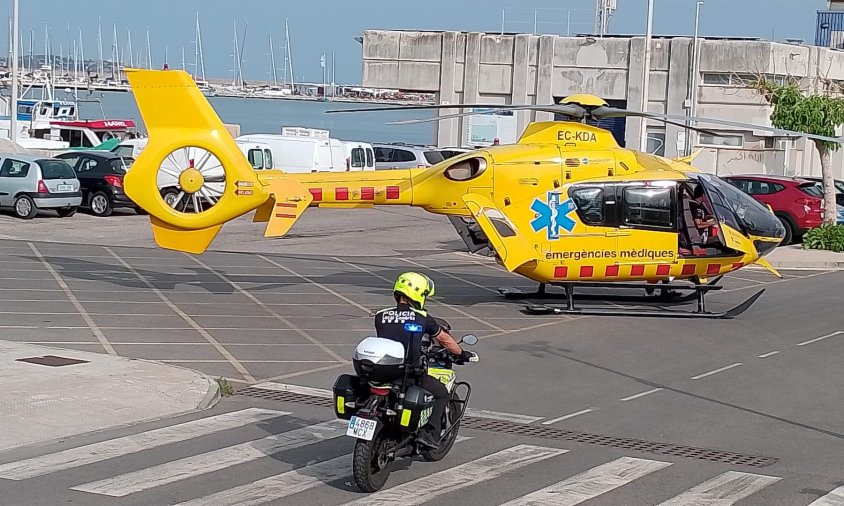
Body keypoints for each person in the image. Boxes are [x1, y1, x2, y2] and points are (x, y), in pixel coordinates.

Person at [373, 272, 474, 449]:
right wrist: (462, 353)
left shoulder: (380, 315)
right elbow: (444, 340)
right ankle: (428, 435)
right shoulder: (421, 317)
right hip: (408, 374)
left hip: (382, 372)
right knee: (442, 393)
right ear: (418, 293)